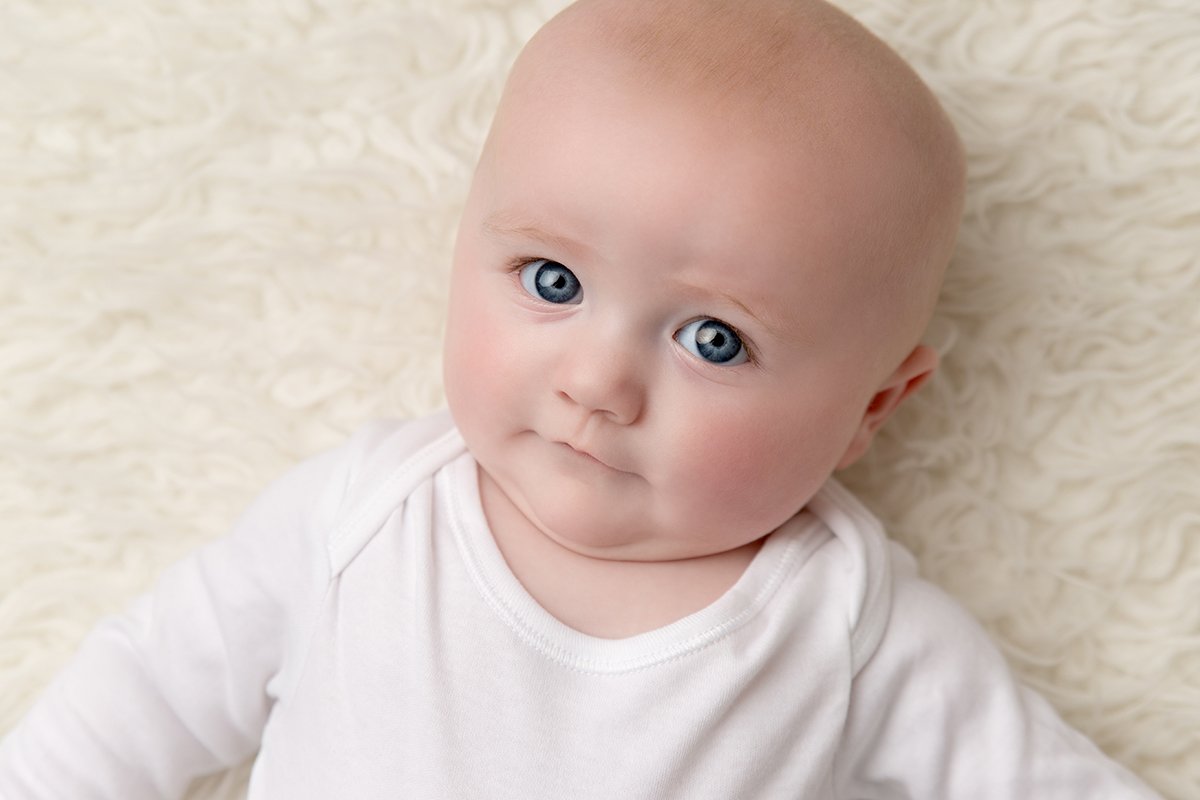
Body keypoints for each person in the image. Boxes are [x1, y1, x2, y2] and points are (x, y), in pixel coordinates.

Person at [0, 0, 1164, 797]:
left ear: (873, 406)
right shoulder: (368, 514)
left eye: (716, 339)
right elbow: (137, 693)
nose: (599, 381)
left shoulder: (843, 617)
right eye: (551, 281)